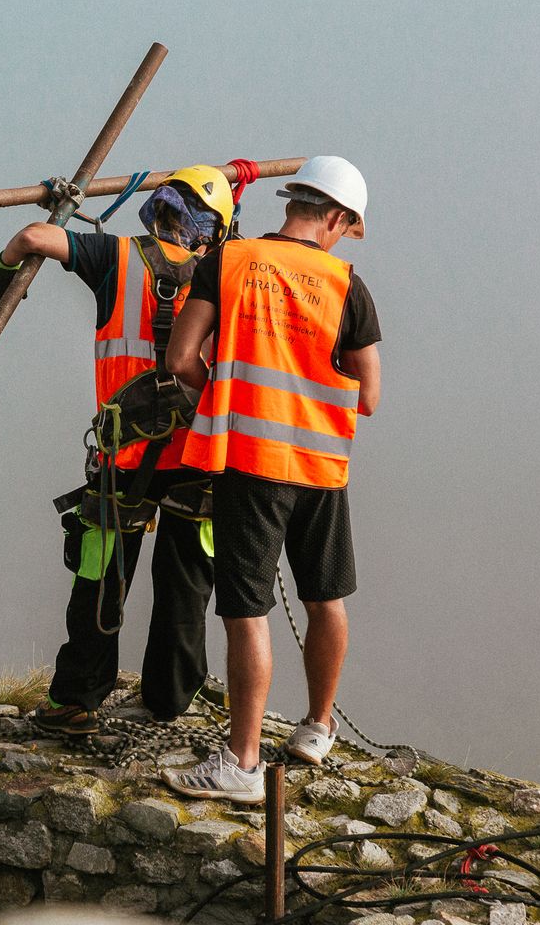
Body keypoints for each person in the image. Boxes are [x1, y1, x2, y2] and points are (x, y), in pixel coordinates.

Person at [159, 156, 382, 802]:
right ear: (337, 217)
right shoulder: (348, 284)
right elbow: (367, 396)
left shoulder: (229, 261)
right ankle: (317, 725)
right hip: (319, 466)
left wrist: (226, 390)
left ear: (295, 202)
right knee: (325, 597)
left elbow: (181, 358)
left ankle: (243, 762)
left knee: (246, 610)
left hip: (249, 461)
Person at [0, 166, 237, 734]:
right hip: (195, 459)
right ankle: (169, 700)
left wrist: (1, 277)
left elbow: (31, 237)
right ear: (211, 229)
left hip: (124, 459)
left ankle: (77, 699)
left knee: (100, 579)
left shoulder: (115, 257)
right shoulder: (223, 274)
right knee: (187, 583)